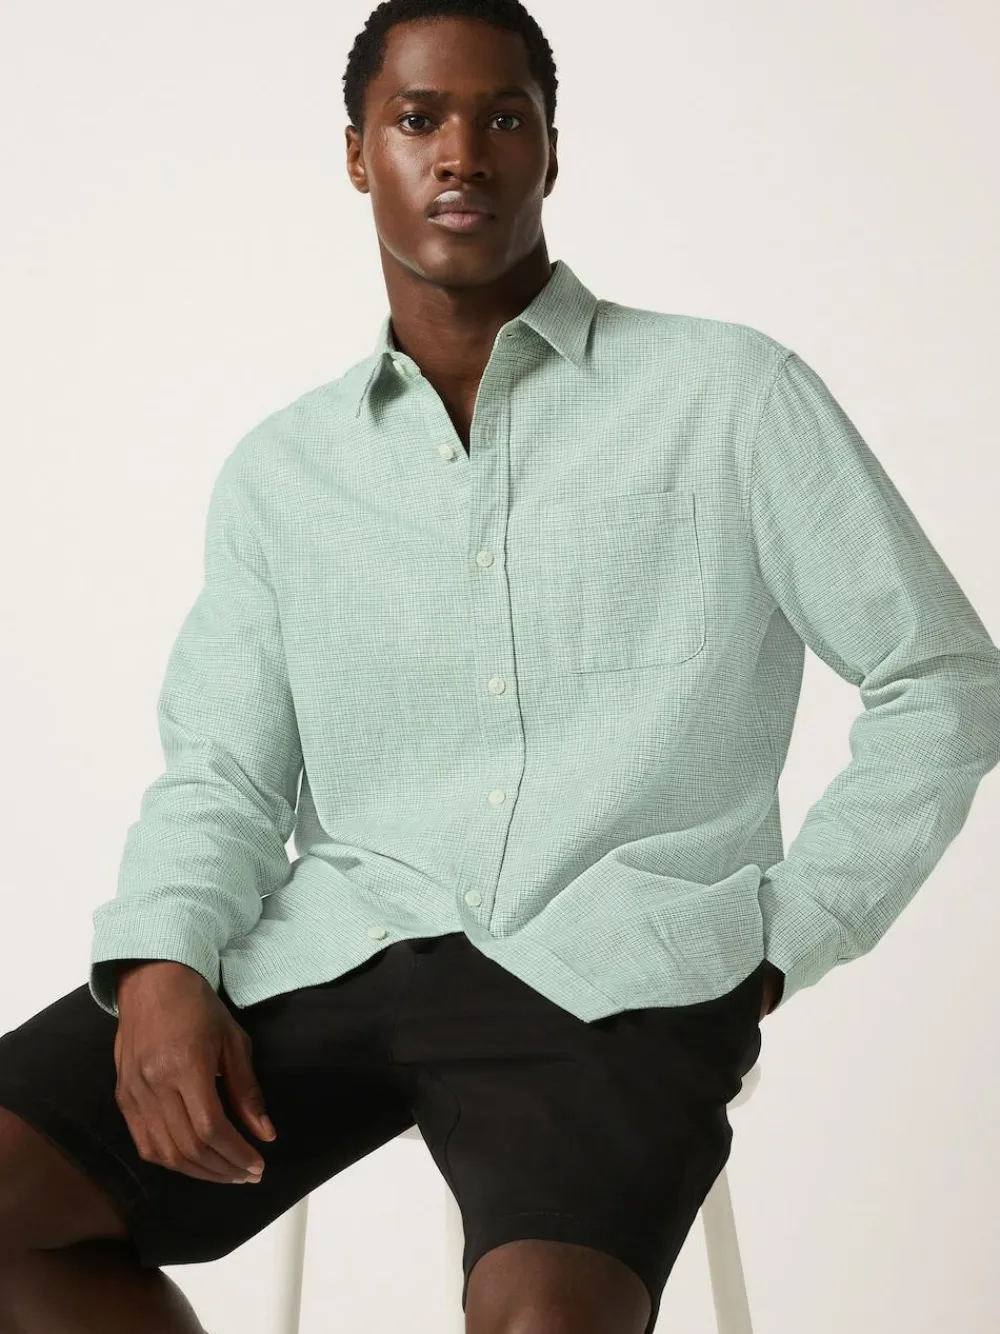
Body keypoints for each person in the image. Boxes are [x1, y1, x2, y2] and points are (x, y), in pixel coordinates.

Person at [2, 2, 999, 1331]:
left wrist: (783, 937)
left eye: (503, 118)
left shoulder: (730, 397)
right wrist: (163, 963)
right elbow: (225, 771)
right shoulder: (284, 475)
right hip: (339, 947)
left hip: (617, 970)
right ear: (358, 153)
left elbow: (941, 677)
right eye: (418, 119)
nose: (461, 154)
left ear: (551, 151)